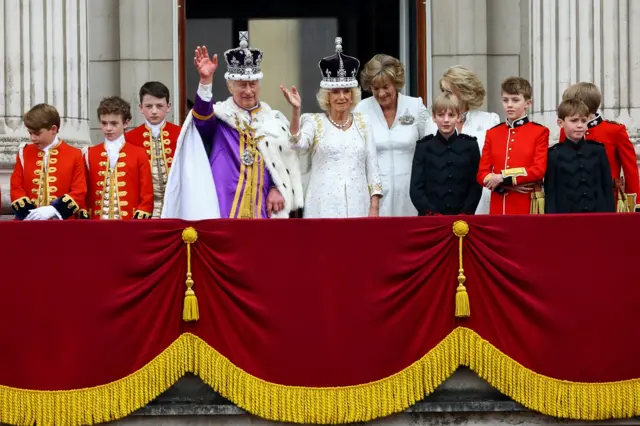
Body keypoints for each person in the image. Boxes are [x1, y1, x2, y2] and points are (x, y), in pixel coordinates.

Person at [162, 31, 303, 220]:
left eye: (252, 84)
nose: (248, 91)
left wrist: (277, 187)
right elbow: (202, 120)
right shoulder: (220, 117)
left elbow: (285, 161)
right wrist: (205, 82)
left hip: (263, 209)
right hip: (223, 205)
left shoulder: (273, 121)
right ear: (230, 86)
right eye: (241, 85)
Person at [281, 37, 383, 218]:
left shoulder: (363, 123)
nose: (341, 97)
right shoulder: (314, 122)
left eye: (346, 92)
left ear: (353, 96)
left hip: (358, 204)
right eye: (335, 92)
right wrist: (296, 110)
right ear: (327, 97)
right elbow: (297, 143)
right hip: (322, 205)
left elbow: (373, 169)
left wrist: (374, 208)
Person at [354, 54, 428, 217]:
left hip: (410, 191)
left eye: (386, 87)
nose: (381, 93)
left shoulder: (415, 106)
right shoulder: (360, 110)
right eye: (375, 88)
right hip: (374, 195)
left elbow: (430, 147)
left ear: (396, 84)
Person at [424, 66, 500, 214]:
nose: (445, 96)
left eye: (449, 92)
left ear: (465, 92)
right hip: (442, 198)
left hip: (480, 196)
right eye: (443, 91)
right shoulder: (431, 123)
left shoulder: (489, 120)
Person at [559, 82, 639, 212]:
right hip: (574, 199)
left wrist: (635, 203)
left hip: (607, 198)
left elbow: (630, 169)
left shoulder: (614, 130)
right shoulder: (566, 130)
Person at [477, 77, 549, 215]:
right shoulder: (493, 133)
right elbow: (482, 174)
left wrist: (502, 177)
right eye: (505, 100)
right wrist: (506, 185)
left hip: (526, 204)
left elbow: (538, 170)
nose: (509, 105)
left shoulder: (539, 132)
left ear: (528, 103)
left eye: (515, 100)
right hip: (499, 204)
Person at [81, 97, 153, 220]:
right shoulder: (89, 153)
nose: (108, 128)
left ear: (126, 123)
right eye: (104, 123)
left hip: (129, 225)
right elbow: (83, 191)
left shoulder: (139, 154)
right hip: (96, 224)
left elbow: (147, 195)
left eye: (114, 123)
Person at [10, 104, 87, 220]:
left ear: (53, 129)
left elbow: (79, 191)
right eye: (30, 133)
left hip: (62, 225)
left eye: (37, 133)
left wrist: (54, 209)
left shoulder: (75, 154)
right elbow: (16, 187)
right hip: (28, 224)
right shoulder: (23, 153)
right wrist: (28, 214)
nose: (33, 138)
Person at [410, 94, 482, 215]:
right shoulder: (424, 147)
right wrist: (433, 214)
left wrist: (465, 213)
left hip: (462, 219)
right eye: (441, 115)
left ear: (459, 117)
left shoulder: (470, 146)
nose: (446, 120)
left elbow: (476, 185)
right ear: (433, 117)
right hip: (431, 219)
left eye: (451, 115)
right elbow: (416, 188)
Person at [545, 99, 614, 213]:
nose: (580, 125)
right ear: (560, 123)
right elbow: (551, 193)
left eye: (584, 121)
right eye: (574, 121)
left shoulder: (598, 151)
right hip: (566, 218)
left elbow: (607, 189)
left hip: (598, 216)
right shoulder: (553, 154)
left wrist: (610, 217)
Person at [126, 81, 182, 218]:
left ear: (168, 107)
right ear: (140, 107)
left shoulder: (181, 134)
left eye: (159, 106)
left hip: (177, 208)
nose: (154, 111)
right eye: (149, 106)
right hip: (143, 211)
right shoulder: (129, 138)